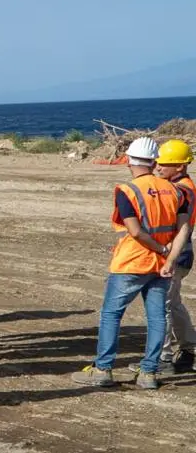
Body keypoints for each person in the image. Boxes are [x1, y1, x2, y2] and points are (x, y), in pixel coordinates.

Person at [73, 137, 190, 390]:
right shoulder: (177, 191)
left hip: (131, 262)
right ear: (155, 161)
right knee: (157, 317)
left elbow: (135, 232)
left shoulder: (126, 190)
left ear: (128, 160)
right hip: (161, 265)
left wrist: (159, 248)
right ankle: (149, 372)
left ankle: (103, 369)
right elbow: (184, 230)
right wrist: (169, 258)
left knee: (111, 315)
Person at [153, 139, 196, 373]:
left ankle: (164, 357)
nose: (158, 167)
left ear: (180, 166)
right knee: (174, 303)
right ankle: (190, 347)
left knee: (163, 305)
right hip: (183, 252)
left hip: (176, 252)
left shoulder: (181, 189)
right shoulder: (184, 185)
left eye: (164, 164)